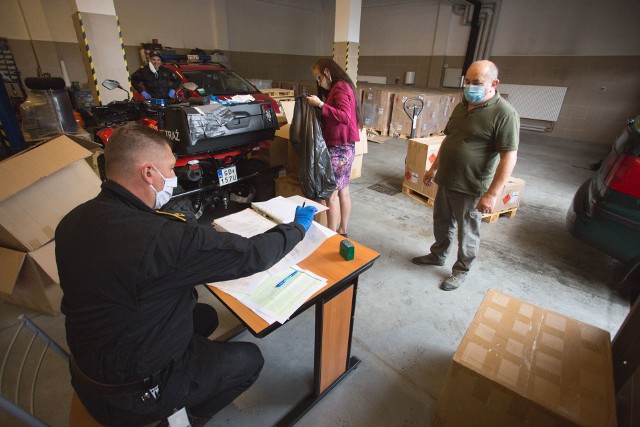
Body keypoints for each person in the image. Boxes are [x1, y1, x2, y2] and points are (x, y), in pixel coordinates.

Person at [55, 124, 317, 426]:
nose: (173, 177)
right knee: (250, 360)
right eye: (170, 169)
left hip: (90, 365)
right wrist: (295, 229)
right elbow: (251, 255)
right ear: (148, 172)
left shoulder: (74, 220)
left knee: (204, 315)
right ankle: (186, 418)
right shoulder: (161, 238)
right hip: (134, 393)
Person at [411, 60, 519, 291]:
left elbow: (509, 157)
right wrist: (433, 168)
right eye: (467, 82)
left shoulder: (504, 114)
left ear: (494, 83)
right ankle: (438, 255)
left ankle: (461, 270)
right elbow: (450, 139)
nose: (470, 87)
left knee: (467, 231)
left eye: (477, 83)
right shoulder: (462, 106)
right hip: (447, 179)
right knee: (441, 222)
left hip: (471, 186)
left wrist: (491, 195)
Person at [305, 57, 360, 237]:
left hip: (339, 148)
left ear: (327, 72)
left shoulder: (340, 88)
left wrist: (320, 105)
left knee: (331, 195)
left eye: (318, 77)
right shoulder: (344, 86)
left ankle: (332, 235)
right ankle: (342, 230)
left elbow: (345, 116)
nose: (318, 81)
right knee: (343, 191)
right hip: (346, 147)